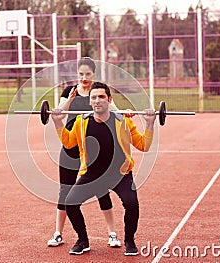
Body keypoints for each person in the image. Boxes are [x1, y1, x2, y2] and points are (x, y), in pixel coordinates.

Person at [51, 81, 156, 256]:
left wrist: (150, 124)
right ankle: (82, 240)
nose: (97, 101)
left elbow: (143, 145)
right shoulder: (81, 122)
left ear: (109, 99)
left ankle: (129, 241)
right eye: (94, 98)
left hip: (120, 174)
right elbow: (69, 143)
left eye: (101, 97)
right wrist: (57, 123)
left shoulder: (122, 121)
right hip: (92, 175)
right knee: (70, 202)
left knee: (132, 204)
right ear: (90, 102)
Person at [47, 57, 122, 248]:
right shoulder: (69, 91)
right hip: (71, 147)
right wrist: (69, 101)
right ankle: (58, 233)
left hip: (93, 149)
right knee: (65, 191)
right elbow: (59, 113)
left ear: (93, 74)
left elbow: (115, 112)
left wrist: (125, 112)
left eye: (88, 74)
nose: (84, 77)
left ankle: (112, 234)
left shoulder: (98, 92)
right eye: (81, 74)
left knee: (101, 190)